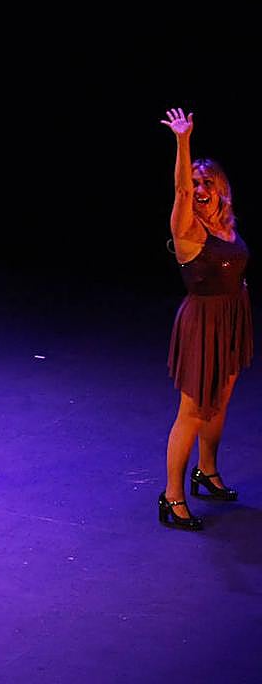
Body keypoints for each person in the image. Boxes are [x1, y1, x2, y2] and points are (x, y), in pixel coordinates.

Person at [158, 108, 252, 531]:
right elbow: (179, 192)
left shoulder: (224, 226)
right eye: (194, 183)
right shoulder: (187, 230)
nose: (198, 190)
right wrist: (183, 141)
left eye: (206, 183)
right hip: (203, 324)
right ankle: (172, 497)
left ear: (220, 189)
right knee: (194, 412)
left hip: (231, 317)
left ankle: (207, 471)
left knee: (220, 404)